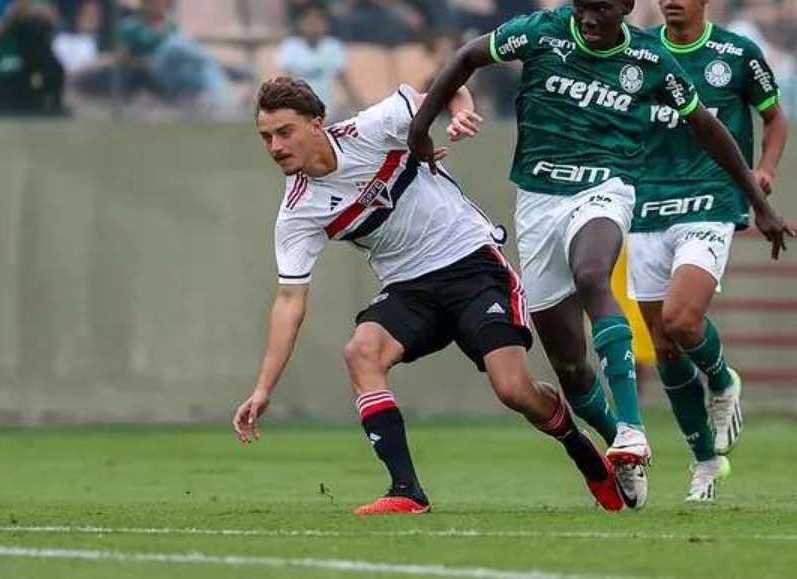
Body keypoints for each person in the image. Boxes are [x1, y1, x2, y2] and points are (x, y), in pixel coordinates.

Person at [407, 0, 792, 511]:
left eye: (601, 9)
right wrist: (422, 126)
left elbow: (707, 127)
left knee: (595, 273)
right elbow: (468, 55)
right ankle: (616, 439)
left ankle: (634, 432)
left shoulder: (647, 58)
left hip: (608, 187)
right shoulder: (541, 31)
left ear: (626, 9)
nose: (588, 19)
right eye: (581, 6)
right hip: (538, 199)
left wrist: (758, 200)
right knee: (568, 363)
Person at [232, 77, 625, 515]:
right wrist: (263, 389)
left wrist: (460, 112)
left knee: (514, 390)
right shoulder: (298, 212)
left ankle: (578, 445)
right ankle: (406, 491)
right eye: (266, 137)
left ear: (317, 124)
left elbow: (448, 84)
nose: (275, 147)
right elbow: (289, 302)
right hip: (409, 287)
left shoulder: (373, 128)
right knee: (362, 352)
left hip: (472, 264)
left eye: (284, 132)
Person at [636, 0, 791, 502]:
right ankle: (705, 461)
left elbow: (774, 118)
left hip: (711, 201)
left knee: (681, 319)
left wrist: (764, 171)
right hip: (644, 205)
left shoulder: (737, 54)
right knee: (664, 346)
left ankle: (723, 380)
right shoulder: (640, 52)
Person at [275, 3, 362, 116]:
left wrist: (359, 106)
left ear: (326, 24)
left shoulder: (333, 46)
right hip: (298, 111)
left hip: (327, 110)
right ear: (300, 24)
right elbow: (284, 82)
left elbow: (344, 81)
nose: (313, 24)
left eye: (318, 20)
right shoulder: (290, 47)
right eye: (309, 20)